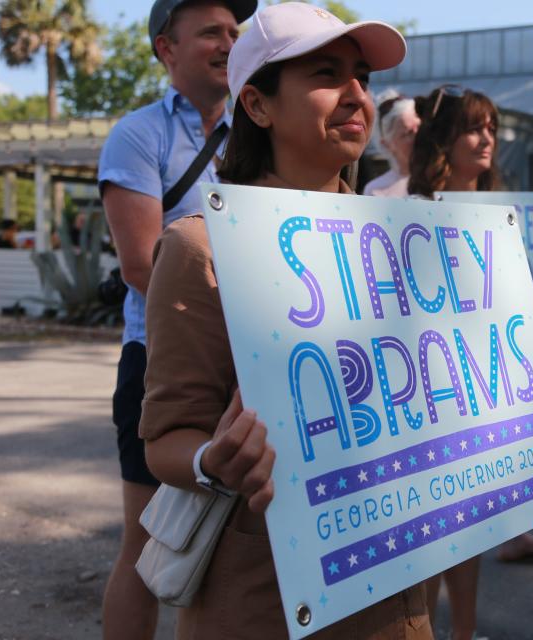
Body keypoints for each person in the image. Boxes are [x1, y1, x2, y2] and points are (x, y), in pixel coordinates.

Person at [140, 3, 434, 637]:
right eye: (327, 74)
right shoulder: (202, 248)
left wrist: (526, 392)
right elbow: (167, 441)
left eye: (363, 76)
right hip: (267, 602)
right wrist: (214, 461)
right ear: (257, 105)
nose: (357, 94)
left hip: (401, 596)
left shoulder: (406, 241)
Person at [96, 1, 255, 638]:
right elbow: (141, 266)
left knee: (249, 551)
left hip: (260, 361)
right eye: (211, 32)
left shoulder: (260, 128)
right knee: (146, 550)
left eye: (236, 33)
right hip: (162, 364)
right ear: (166, 49)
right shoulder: (139, 135)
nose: (229, 43)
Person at [409, 85, 533, 640]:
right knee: (431, 538)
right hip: (435, 396)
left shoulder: (506, 217)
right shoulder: (407, 214)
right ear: (441, 139)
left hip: (491, 390)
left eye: (490, 127)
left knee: (475, 528)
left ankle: (461, 633)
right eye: (472, 127)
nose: (486, 138)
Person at [363, 89, 419, 197]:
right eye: (409, 133)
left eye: (420, 127)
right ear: (387, 144)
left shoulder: (448, 177)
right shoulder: (376, 191)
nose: (418, 136)